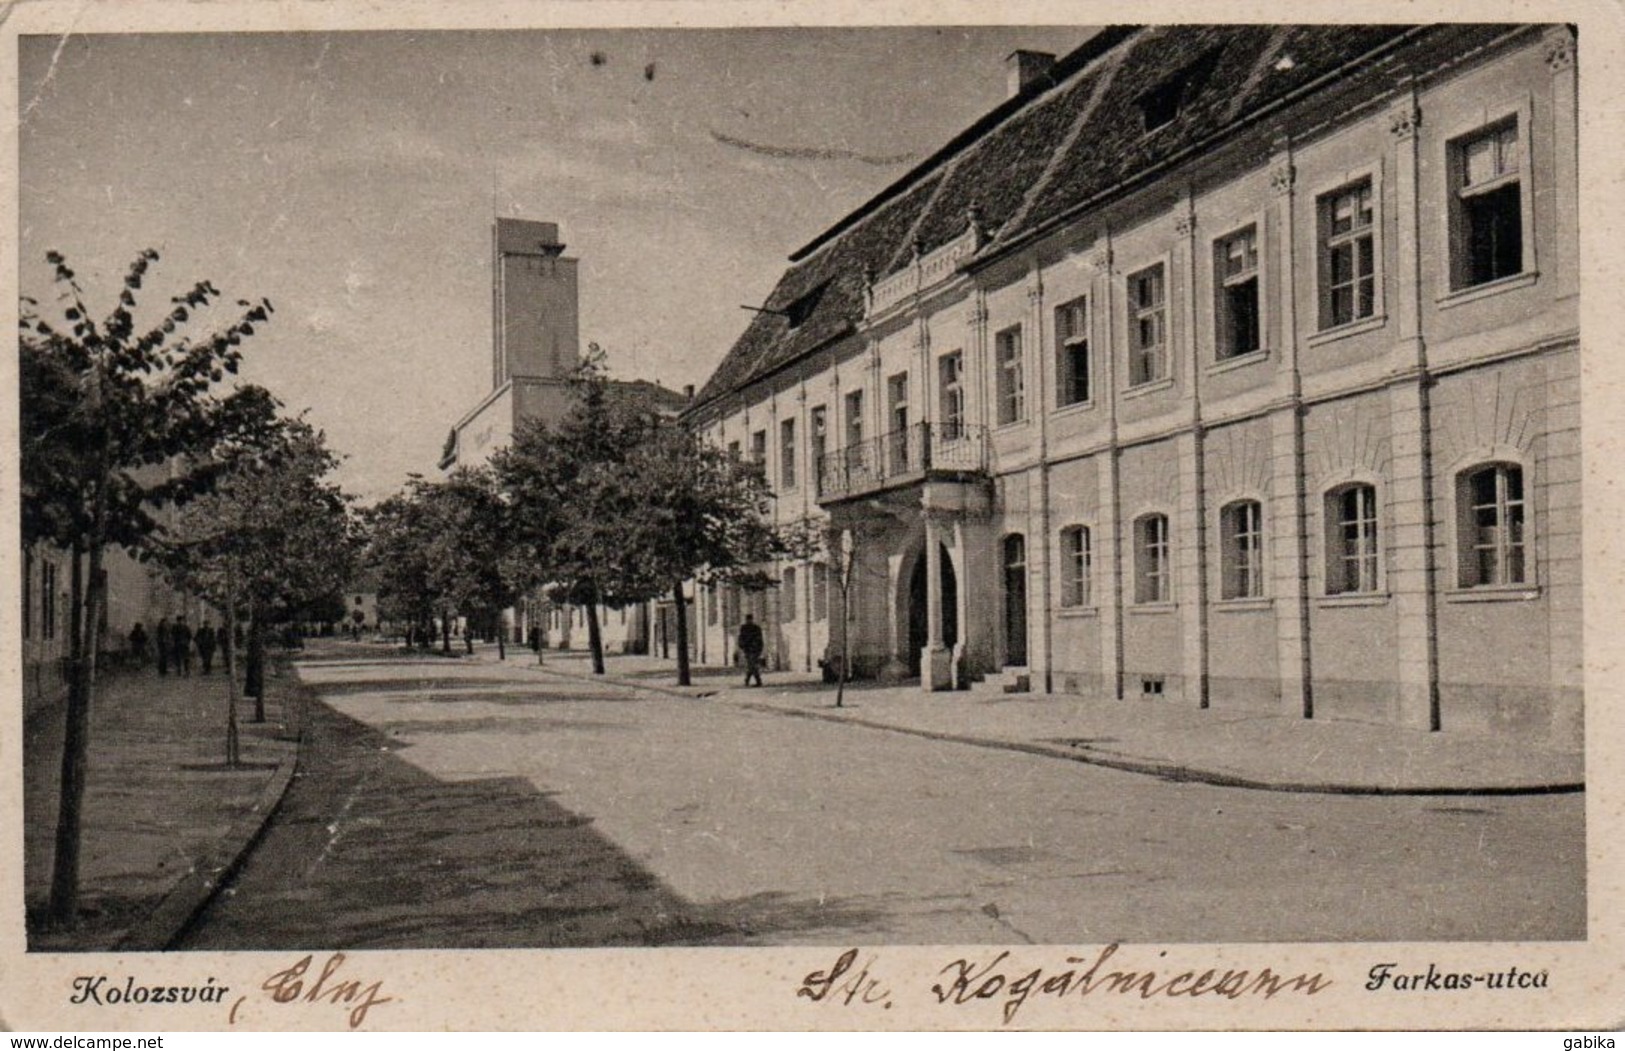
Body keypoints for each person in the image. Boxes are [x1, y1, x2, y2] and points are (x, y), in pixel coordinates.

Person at [737, 613, 765, 687]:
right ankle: (755, 681)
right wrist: (742, 646)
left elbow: (760, 639)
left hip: (755, 650)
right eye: (748, 619)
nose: (749, 621)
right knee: (752, 665)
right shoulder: (744, 628)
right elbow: (740, 638)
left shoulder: (756, 628)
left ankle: (750, 681)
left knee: (751, 665)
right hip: (748, 649)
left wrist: (760, 649)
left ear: (752, 620)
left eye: (750, 619)